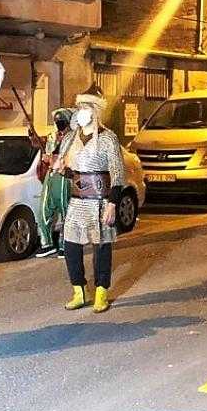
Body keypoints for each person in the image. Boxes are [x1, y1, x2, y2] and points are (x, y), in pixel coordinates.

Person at [57, 84, 125, 313]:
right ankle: (79, 290)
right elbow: (73, 172)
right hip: (78, 201)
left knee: (101, 248)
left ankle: (101, 292)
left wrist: (112, 203)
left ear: (95, 111)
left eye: (86, 107)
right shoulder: (71, 138)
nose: (81, 111)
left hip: (101, 201)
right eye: (79, 107)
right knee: (70, 245)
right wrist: (62, 170)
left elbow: (117, 174)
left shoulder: (108, 138)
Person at [35, 107, 74, 258]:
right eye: (57, 121)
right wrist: (47, 156)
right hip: (51, 175)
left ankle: (65, 245)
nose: (59, 123)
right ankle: (47, 243)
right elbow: (48, 153)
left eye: (61, 120)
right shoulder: (53, 136)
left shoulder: (73, 137)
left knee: (66, 211)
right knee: (43, 209)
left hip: (64, 175)